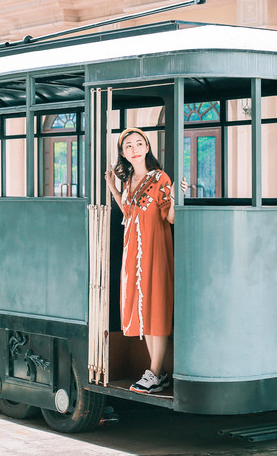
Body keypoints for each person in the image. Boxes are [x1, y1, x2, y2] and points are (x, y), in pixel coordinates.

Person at [104, 127, 186, 394]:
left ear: (148, 148)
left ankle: (154, 371)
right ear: (123, 153)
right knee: (145, 310)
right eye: (129, 146)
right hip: (134, 252)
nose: (135, 149)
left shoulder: (161, 178)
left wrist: (177, 199)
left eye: (139, 143)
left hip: (155, 249)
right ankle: (157, 373)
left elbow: (170, 218)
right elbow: (128, 212)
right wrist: (113, 188)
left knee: (157, 309)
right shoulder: (129, 181)